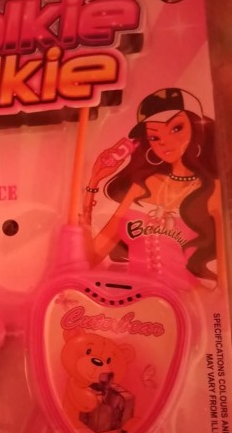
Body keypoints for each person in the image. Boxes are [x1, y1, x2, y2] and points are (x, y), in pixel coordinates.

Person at [83, 88, 224, 287]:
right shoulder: (142, 186)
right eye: (154, 137)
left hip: (186, 297)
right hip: (136, 298)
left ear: (195, 126)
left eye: (176, 128)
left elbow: (224, 284)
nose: (164, 141)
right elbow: (90, 259)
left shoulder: (213, 190)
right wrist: (94, 181)